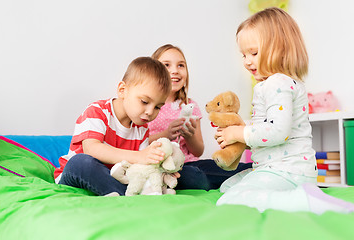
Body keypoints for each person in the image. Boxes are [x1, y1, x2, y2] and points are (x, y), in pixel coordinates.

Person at [215, 7, 354, 214]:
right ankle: (298, 194)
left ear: (280, 49)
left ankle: (301, 201)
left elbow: (278, 131)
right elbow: (268, 131)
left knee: (228, 200)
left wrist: (238, 133)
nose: (247, 61)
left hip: (287, 172)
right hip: (284, 170)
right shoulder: (280, 83)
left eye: (253, 53)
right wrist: (244, 137)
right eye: (243, 54)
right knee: (227, 188)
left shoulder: (276, 83)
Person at [54, 56, 172, 196]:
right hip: (76, 175)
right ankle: (126, 194)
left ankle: (124, 191)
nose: (150, 112)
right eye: (144, 102)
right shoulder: (97, 111)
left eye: (158, 107)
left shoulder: (142, 128)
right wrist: (138, 156)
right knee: (80, 162)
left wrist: (161, 169)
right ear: (122, 90)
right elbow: (92, 149)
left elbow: (141, 164)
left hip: (112, 178)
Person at [148, 44, 252, 190]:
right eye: (166, 65)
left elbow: (198, 151)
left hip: (189, 163)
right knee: (193, 176)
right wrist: (166, 135)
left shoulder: (190, 105)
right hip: (163, 168)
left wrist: (189, 137)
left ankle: (258, 170)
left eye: (180, 65)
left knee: (216, 167)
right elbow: (139, 143)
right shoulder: (148, 104)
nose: (175, 71)